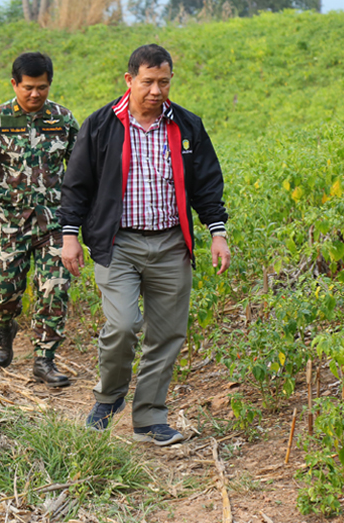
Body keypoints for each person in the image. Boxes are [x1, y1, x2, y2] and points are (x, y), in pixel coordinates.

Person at [59, 44, 231, 446]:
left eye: (164, 82)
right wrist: (69, 237)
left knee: (167, 334)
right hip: (118, 243)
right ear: (130, 80)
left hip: (171, 243)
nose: (156, 90)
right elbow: (77, 185)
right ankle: (108, 398)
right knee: (121, 325)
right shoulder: (101, 125)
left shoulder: (187, 126)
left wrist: (217, 233)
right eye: (148, 81)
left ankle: (150, 419)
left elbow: (207, 184)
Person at [0, 52, 79, 387]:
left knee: (53, 290)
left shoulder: (63, 120)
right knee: (3, 291)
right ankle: (4, 327)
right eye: (28, 87)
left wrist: (82, 216)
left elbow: (82, 170)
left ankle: (44, 359)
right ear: (14, 84)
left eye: (41, 87)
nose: (35, 94)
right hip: (10, 223)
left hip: (53, 223)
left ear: (50, 84)